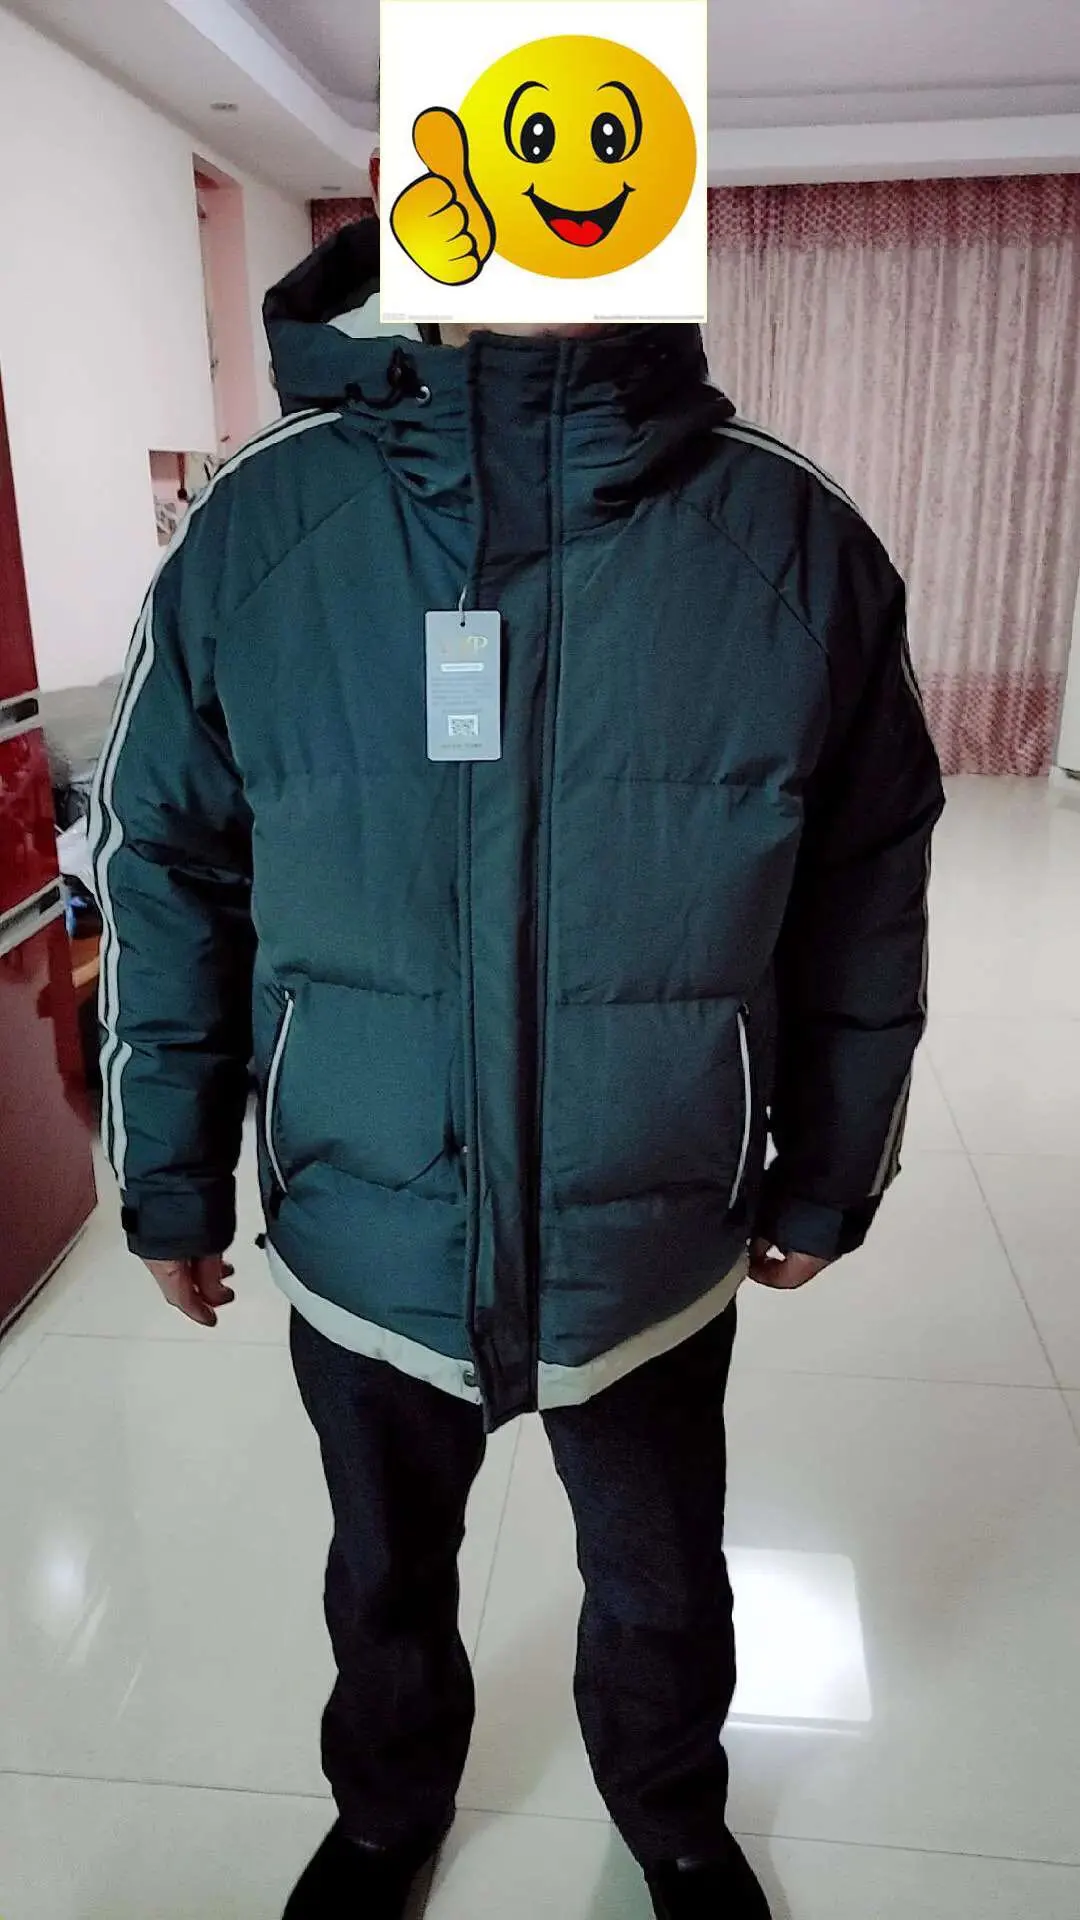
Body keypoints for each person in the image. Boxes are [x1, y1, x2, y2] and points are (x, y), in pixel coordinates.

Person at [88, 127, 944, 1920]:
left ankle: (674, 1818)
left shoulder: (788, 538)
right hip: (366, 1214)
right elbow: (165, 863)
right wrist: (166, 1172)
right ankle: (387, 1812)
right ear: (420, 194)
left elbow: (869, 883)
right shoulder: (263, 527)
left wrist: (829, 1171)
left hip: (646, 1236)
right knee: (383, 1571)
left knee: (662, 1577)